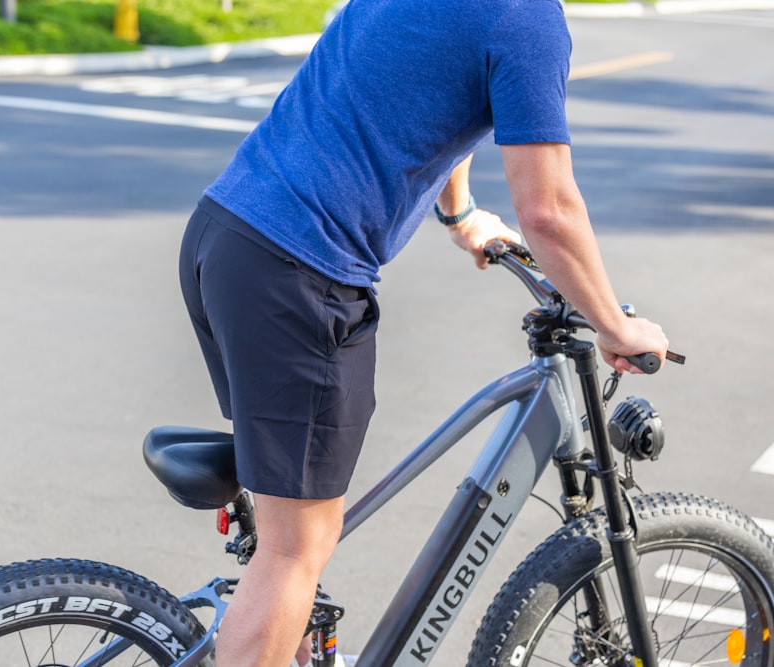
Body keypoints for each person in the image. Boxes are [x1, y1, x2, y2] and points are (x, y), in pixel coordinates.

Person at [177, 0, 670, 665]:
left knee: (288, 523)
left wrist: (462, 213)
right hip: (301, 273)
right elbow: (549, 211)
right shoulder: (526, 19)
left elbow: (427, 91)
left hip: (226, 235)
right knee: (297, 551)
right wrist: (614, 323)